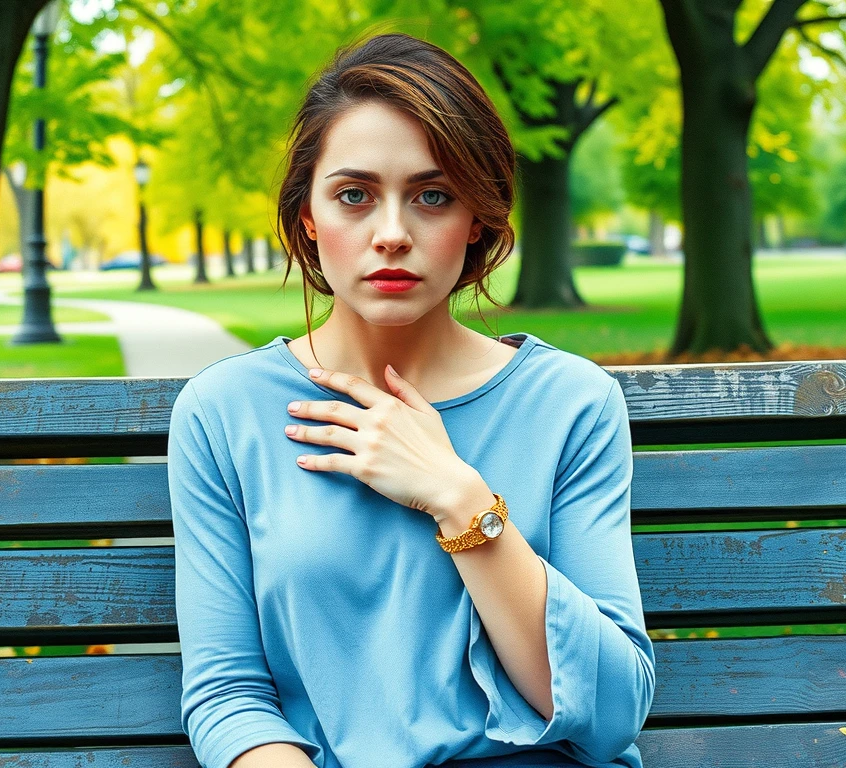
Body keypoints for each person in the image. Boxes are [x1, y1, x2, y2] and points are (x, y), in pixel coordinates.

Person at [167, 31, 654, 768]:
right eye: (354, 196)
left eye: (433, 196)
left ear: (478, 218)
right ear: (308, 216)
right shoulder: (223, 413)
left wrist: (459, 501)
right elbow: (228, 695)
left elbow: (611, 713)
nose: (391, 234)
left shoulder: (572, 405)